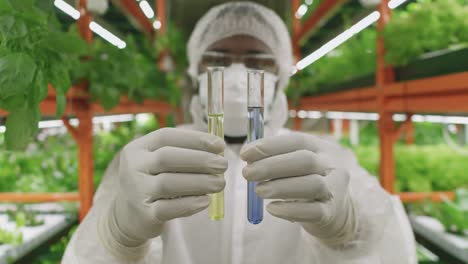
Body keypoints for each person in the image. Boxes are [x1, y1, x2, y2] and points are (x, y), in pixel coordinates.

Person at [63, 2, 417, 263]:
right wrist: (118, 236)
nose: (235, 74)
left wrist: (349, 230)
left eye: (257, 61)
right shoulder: (157, 158)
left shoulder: (322, 160)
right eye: (216, 58)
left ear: (281, 72)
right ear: (195, 69)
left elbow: (392, 246)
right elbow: (85, 254)